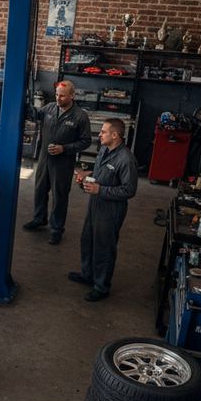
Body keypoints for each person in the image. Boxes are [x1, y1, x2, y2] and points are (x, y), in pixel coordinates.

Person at [69, 118, 138, 302]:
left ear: (114, 135)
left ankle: (101, 286)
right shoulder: (104, 150)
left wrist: (101, 189)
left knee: (104, 247)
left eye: (103, 132)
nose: (99, 134)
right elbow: (99, 174)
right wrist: (87, 175)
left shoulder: (126, 159)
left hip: (111, 210)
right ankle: (87, 274)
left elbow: (129, 190)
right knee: (88, 239)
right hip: (95, 204)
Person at [23, 80, 92, 244]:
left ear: (72, 96)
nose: (58, 98)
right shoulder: (50, 108)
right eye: (56, 95)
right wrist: (23, 101)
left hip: (63, 162)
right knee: (40, 190)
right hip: (44, 159)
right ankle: (39, 218)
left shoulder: (80, 116)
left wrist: (65, 148)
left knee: (60, 196)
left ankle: (56, 229)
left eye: (62, 96)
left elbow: (86, 141)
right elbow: (35, 113)